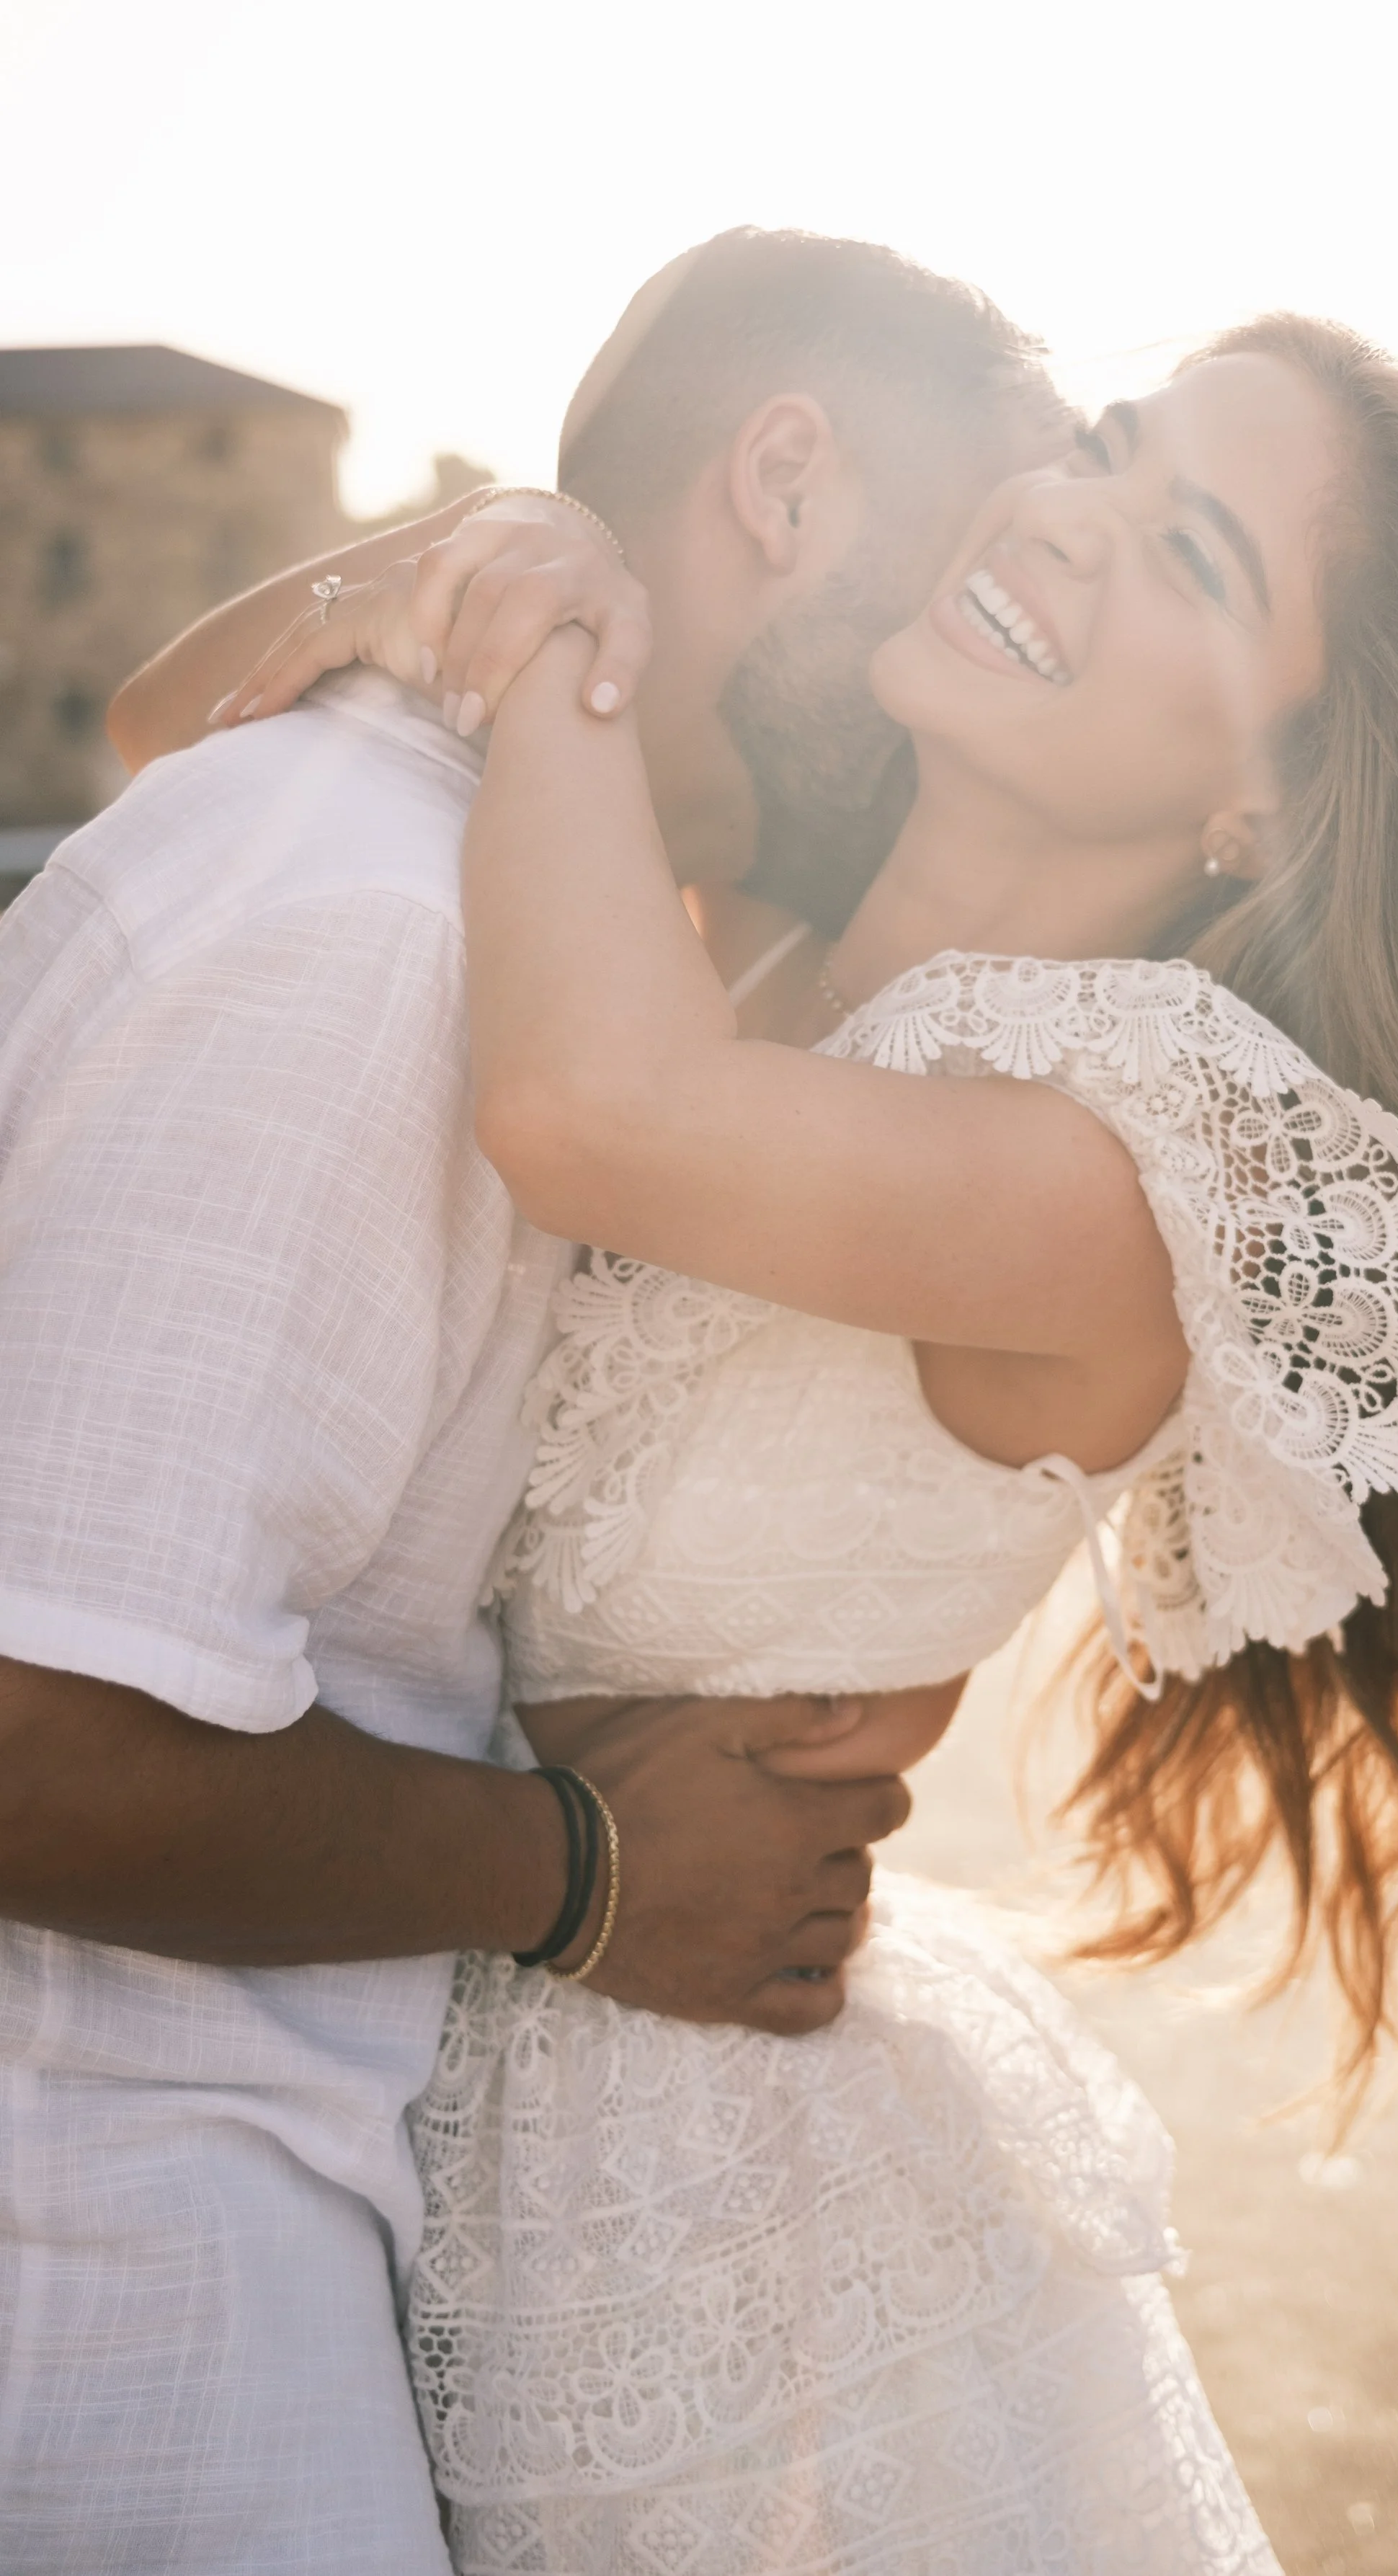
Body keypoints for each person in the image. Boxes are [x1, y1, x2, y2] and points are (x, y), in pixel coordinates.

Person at [246, 311, 1398, 2569]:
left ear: (1263, 790)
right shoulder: (741, 945)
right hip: (426, 2056)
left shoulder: (1133, 1164)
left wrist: (547, 600)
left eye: (1180, 545)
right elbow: (168, 731)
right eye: (1106, 441)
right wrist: (434, 563)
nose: (1057, 511)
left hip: (705, 2205)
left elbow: (583, 1114)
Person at [0, 231, 1067, 2575]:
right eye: (965, 565)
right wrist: (590, 1870)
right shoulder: (367, 922)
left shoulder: (467, 892)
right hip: (117, 2293)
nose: (957, 661)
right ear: (781, 482)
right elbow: (28, 1731)